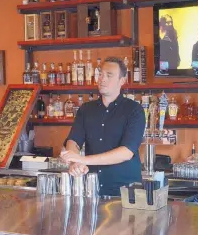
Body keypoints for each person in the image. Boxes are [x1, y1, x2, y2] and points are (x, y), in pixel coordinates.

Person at [61, 57, 146, 197]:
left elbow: (126, 152)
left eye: (109, 75)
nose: (102, 78)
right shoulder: (86, 109)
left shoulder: (134, 110)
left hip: (125, 193)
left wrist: (82, 160)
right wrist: (74, 161)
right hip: (92, 189)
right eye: (100, 74)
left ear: (122, 80)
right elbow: (73, 141)